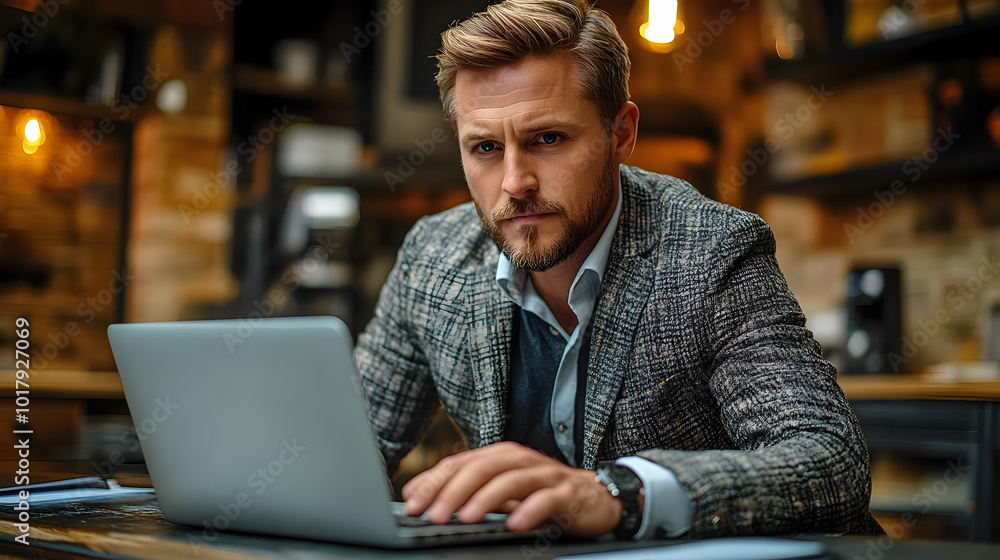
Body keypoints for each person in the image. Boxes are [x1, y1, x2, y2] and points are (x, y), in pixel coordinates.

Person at [355, 0, 884, 540]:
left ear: (621, 134)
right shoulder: (432, 259)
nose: (515, 182)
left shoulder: (710, 250)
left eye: (548, 139)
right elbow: (348, 446)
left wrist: (622, 493)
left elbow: (829, 463)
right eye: (486, 147)